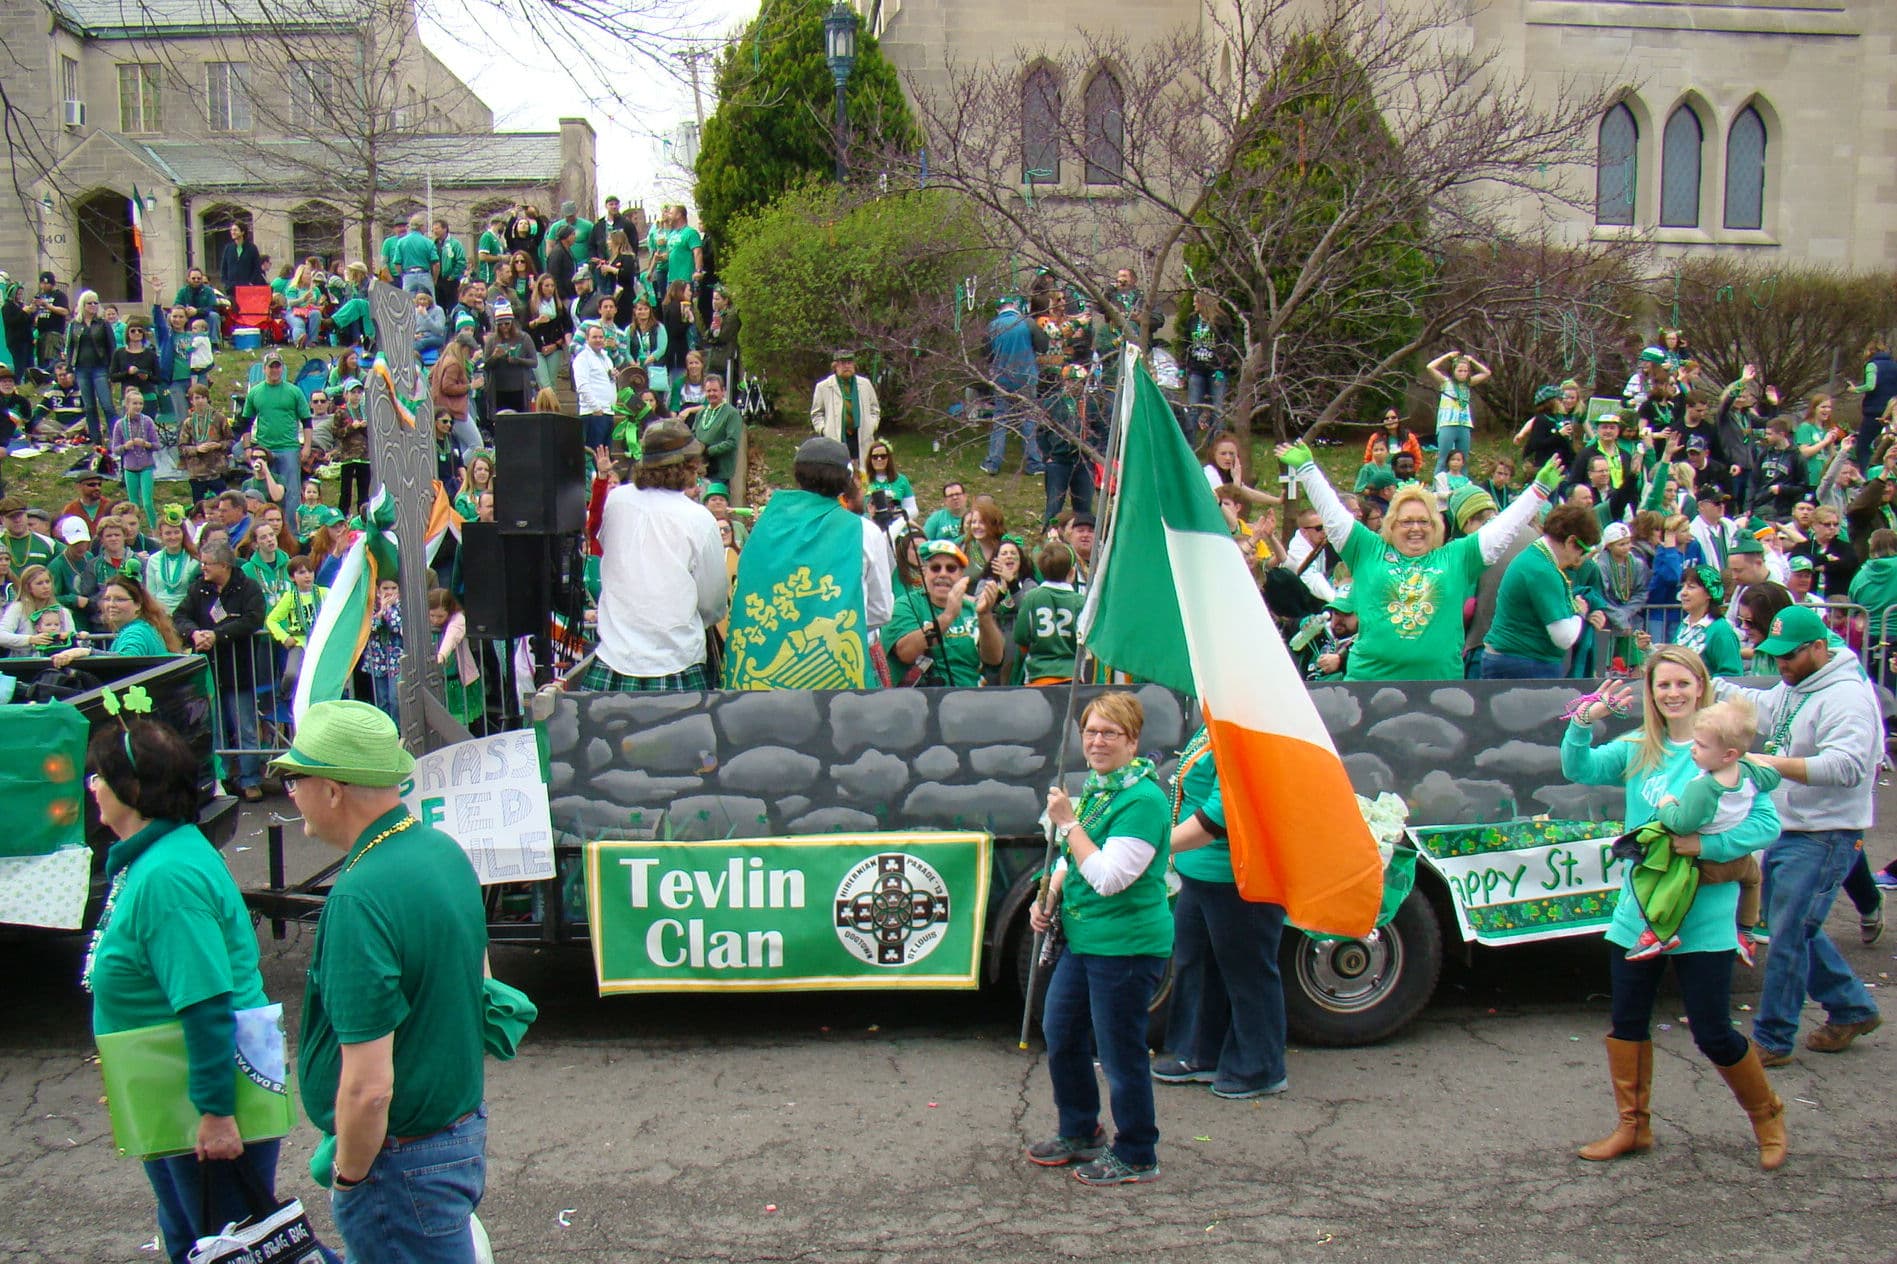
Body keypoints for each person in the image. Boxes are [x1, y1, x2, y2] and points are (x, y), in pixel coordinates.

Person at [272, 701, 488, 1262]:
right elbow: (482, 981)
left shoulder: (359, 896)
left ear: (334, 789)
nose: (290, 792)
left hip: (401, 1164)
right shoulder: (441, 850)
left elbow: (369, 1088)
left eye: (296, 778)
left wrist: (349, 1175)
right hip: (453, 1135)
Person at [1561, 648, 1787, 1169]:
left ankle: (1767, 1115)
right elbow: (1579, 767)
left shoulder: (1728, 752)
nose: (1673, 693)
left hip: (1705, 913)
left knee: (1712, 1030)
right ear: (1651, 692)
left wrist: (1703, 848)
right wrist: (1582, 720)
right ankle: (1632, 1127)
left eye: (1682, 683)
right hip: (1641, 910)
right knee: (1628, 1024)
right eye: (1662, 685)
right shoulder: (1640, 747)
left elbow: (1765, 825)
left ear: (1701, 685)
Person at [84, 715, 283, 1264]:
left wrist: (217, 1114)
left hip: (202, 1106)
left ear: (132, 789)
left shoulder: (169, 877)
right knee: (201, 1243)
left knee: (231, 1249)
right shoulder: (157, 857)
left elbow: (205, 1003)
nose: (92, 787)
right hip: (171, 1098)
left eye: (99, 776)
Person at [1713, 605, 1884, 1067]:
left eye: (1789, 656)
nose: (1780, 664)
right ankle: (1851, 1006)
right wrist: (1703, 682)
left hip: (1827, 832)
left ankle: (1773, 1037)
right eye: (1776, 655)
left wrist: (1773, 765)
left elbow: (1849, 767)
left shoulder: (1847, 698)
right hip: (1795, 826)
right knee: (1793, 926)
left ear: (1818, 648)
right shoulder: (1798, 686)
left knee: (1789, 931)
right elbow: (1760, 706)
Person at [1027, 692, 1172, 1185]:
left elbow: (1111, 876)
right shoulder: (1100, 788)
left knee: (1119, 1050)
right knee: (1061, 1031)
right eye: (1090, 731)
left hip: (1128, 946)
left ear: (1133, 741)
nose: (1097, 741)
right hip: (1086, 941)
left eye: (1111, 733)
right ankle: (1080, 1131)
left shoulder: (1145, 800)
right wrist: (1047, 895)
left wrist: (1067, 822)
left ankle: (1136, 1152)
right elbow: (1074, 858)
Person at [1280, 439, 1558, 679]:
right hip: (1369, 683)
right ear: (1392, 524)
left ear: (1436, 526)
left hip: (1438, 687)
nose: (1416, 528)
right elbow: (1333, 514)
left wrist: (1539, 491)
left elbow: (1503, 528)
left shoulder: (1457, 556)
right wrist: (1307, 470)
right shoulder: (1366, 548)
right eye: (1407, 521)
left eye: (1424, 521)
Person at [1153, 725, 1289, 1101]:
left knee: (1248, 972)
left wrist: (1154, 846)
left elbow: (1219, 814)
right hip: (1199, 872)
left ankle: (1260, 1067)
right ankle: (1199, 1053)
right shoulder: (1215, 720)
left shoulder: (1251, 730)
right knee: (1197, 964)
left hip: (1241, 875)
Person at [723, 436, 892, 690]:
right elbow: (881, 610)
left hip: (762, 685)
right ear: (846, 482)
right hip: (837, 680)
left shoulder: (763, 528)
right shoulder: (864, 531)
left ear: (798, 476)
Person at [1619, 698, 1775, 961]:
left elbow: (1681, 823)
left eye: (1701, 745)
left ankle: (1659, 932)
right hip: (1739, 861)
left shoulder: (1704, 787)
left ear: (1728, 755)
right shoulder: (1747, 773)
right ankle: (1746, 933)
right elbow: (1773, 777)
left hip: (1701, 862)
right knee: (1754, 880)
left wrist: (1666, 804)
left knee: (1672, 887)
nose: (1693, 750)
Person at [587, 420, 727, 690]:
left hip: (616, 657)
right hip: (676, 662)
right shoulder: (698, 519)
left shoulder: (616, 501)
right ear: (687, 465)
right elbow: (712, 604)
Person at [173, 540, 269, 801]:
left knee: (245, 726)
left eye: (207, 563)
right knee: (212, 727)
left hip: (239, 669)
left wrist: (218, 635)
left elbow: (253, 619)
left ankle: (250, 778)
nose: (202, 567)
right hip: (208, 671)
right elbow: (180, 616)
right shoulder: (199, 589)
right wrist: (193, 634)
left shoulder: (248, 587)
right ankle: (220, 778)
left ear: (224, 565)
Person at [1479, 504, 1604, 679]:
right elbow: (1563, 637)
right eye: (1582, 550)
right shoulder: (1543, 571)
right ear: (1570, 541)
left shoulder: (1533, 558)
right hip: (1524, 665)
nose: (1579, 559)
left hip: (1511, 661)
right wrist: (1580, 613)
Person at [883, 540, 1003, 686]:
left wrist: (985, 616)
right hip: (920, 700)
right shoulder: (906, 604)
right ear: (924, 572)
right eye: (935, 568)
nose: (943, 574)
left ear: (962, 576)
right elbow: (905, 652)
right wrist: (947, 617)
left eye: (951, 568)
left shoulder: (972, 609)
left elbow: (994, 658)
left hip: (970, 696)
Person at [238, 351, 311, 509]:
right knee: (264, 490)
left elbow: (307, 421)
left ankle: (292, 531)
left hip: (289, 448)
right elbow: (246, 422)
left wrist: (307, 446)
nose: (274, 370)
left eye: (278, 367)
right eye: (271, 367)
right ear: (264, 369)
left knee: (291, 491)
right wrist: (247, 447)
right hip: (264, 450)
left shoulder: (294, 391)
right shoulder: (255, 392)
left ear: (282, 369)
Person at [51, 575, 180, 663]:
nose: (111, 605)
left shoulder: (136, 632)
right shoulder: (141, 627)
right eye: (107, 599)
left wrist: (88, 652)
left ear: (138, 605)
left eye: (119, 599)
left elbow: (127, 660)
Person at [982, 294, 1041, 476]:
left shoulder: (992, 326)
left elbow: (986, 353)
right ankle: (1034, 463)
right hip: (1026, 376)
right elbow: (1043, 345)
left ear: (998, 310)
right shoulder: (1027, 322)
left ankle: (993, 462)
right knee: (1028, 417)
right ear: (1015, 306)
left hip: (1002, 378)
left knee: (1001, 418)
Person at [1013, 541, 1084, 685]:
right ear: (1071, 572)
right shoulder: (1080, 602)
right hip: (1073, 677)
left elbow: (1020, 637)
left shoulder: (1032, 597)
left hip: (1039, 676)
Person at [1425, 350, 1491, 477]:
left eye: (1465, 371)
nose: (1463, 374)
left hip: (1464, 424)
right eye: (1460, 370)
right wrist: (1446, 356)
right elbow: (1430, 367)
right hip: (1447, 424)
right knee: (1444, 459)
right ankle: (1438, 488)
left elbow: (1486, 373)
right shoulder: (1446, 382)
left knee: (1463, 460)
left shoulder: (1468, 384)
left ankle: (1463, 487)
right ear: (1453, 371)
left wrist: (1472, 361)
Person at [1671, 565, 1742, 676]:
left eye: (1691, 587)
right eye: (1683, 587)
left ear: (1709, 592)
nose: (1683, 593)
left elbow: (1732, 674)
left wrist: (1702, 685)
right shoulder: (1684, 626)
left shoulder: (1721, 630)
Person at [810, 349, 880, 461]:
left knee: (862, 472)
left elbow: (874, 409)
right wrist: (824, 430)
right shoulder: (823, 387)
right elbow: (816, 413)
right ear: (835, 366)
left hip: (861, 435)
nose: (846, 366)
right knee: (838, 470)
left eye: (849, 362)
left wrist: (872, 426)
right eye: (842, 363)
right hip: (836, 436)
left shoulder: (865, 384)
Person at [0, 563, 71, 654]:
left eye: (47, 582)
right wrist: (30, 639)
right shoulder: (18, 608)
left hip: (56, 662)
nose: (45, 586)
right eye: (39, 583)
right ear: (28, 587)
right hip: (23, 664)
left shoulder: (62, 612)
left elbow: (72, 638)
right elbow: (1, 636)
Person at [218, 220, 266, 293]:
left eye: (235, 230)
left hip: (247, 289)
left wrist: (251, 282)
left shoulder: (252, 248)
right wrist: (226, 283)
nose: (232, 232)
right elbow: (223, 267)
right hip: (231, 289)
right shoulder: (228, 248)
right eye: (231, 230)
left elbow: (257, 268)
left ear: (242, 232)